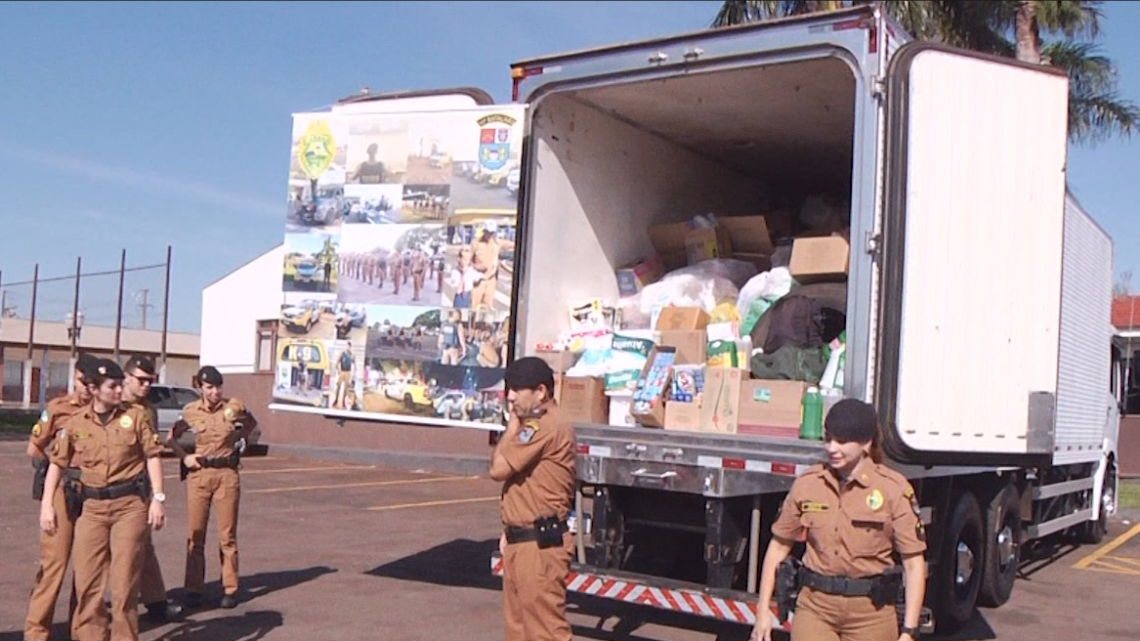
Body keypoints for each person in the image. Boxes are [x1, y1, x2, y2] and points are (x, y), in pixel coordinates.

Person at [750, 399, 927, 641]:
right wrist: (762, 611)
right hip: (816, 608)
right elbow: (779, 547)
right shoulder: (809, 483)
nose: (832, 448)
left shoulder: (893, 489)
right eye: (828, 438)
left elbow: (914, 564)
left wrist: (909, 631)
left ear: (866, 443)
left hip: (870, 614)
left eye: (842, 441)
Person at [39, 358, 167, 641]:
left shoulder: (135, 417)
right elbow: (57, 464)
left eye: (121, 384)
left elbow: (153, 455)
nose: (120, 391)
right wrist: (47, 504)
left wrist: (158, 498)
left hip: (129, 507)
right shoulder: (75, 423)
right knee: (88, 583)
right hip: (92, 508)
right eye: (113, 386)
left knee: (123, 587)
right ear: (94, 389)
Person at [489, 357, 577, 641]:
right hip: (522, 541)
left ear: (541, 392)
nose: (510, 396)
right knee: (519, 632)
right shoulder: (536, 425)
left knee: (544, 633)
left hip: (538, 545)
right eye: (508, 389)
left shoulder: (544, 427)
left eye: (517, 389)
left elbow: (498, 469)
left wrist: (514, 423)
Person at [168, 366, 258, 610]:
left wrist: (241, 441)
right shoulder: (190, 411)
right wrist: (184, 457)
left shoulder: (234, 407)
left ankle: (229, 588)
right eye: (210, 387)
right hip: (200, 475)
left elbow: (251, 424)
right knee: (195, 534)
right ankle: (194, 588)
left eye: (218, 387)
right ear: (200, 387)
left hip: (227, 474)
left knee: (227, 535)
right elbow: (172, 438)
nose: (215, 392)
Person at [23, 352, 97, 641]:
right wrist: (55, 469)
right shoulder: (58, 408)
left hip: (93, 492)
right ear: (75, 377)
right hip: (63, 490)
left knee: (88, 565)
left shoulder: (106, 411)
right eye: (82, 381)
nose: (86, 388)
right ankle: (37, 631)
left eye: (92, 383)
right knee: (54, 563)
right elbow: (34, 448)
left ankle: (81, 629)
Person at [121, 354, 183, 621]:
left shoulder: (148, 410)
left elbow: (152, 452)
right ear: (126, 377)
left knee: (143, 547)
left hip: (137, 488)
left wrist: (156, 495)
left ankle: (156, 603)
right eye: (141, 380)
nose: (146, 385)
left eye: (150, 380)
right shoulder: (110, 402)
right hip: (105, 487)